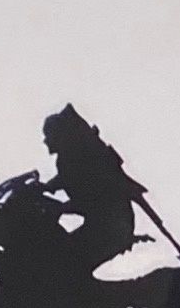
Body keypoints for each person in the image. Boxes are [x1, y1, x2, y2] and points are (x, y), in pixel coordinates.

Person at [38, 105, 146, 280]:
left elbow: (88, 200)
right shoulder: (71, 158)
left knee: (65, 260)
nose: (46, 141)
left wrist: (60, 207)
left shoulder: (72, 159)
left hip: (110, 227)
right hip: (108, 224)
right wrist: (44, 187)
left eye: (48, 135)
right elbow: (66, 179)